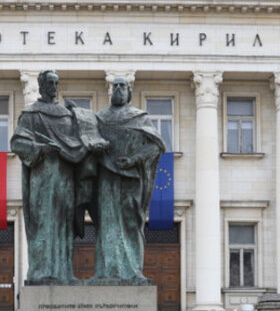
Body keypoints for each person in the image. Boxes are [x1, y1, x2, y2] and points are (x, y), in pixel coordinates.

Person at [10, 69, 106, 285]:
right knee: (44, 223)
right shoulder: (31, 114)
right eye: (50, 83)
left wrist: (88, 138)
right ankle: (42, 272)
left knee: (65, 224)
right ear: (41, 85)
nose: (54, 87)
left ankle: (64, 272)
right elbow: (17, 143)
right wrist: (41, 148)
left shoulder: (65, 114)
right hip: (43, 177)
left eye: (56, 83)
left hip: (65, 177)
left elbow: (78, 141)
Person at [90, 76, 167, 283]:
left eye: (122, 86)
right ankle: (106, 271)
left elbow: (156, 146)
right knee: (107, 224)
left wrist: (134, 160)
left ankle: (133, 271)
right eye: (115, 86)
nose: (118, 89)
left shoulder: (140, 118)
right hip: (106, 177)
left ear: (129, 93)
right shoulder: (100, 118)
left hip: (132, 179)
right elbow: (89, 142)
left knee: (131, 223)